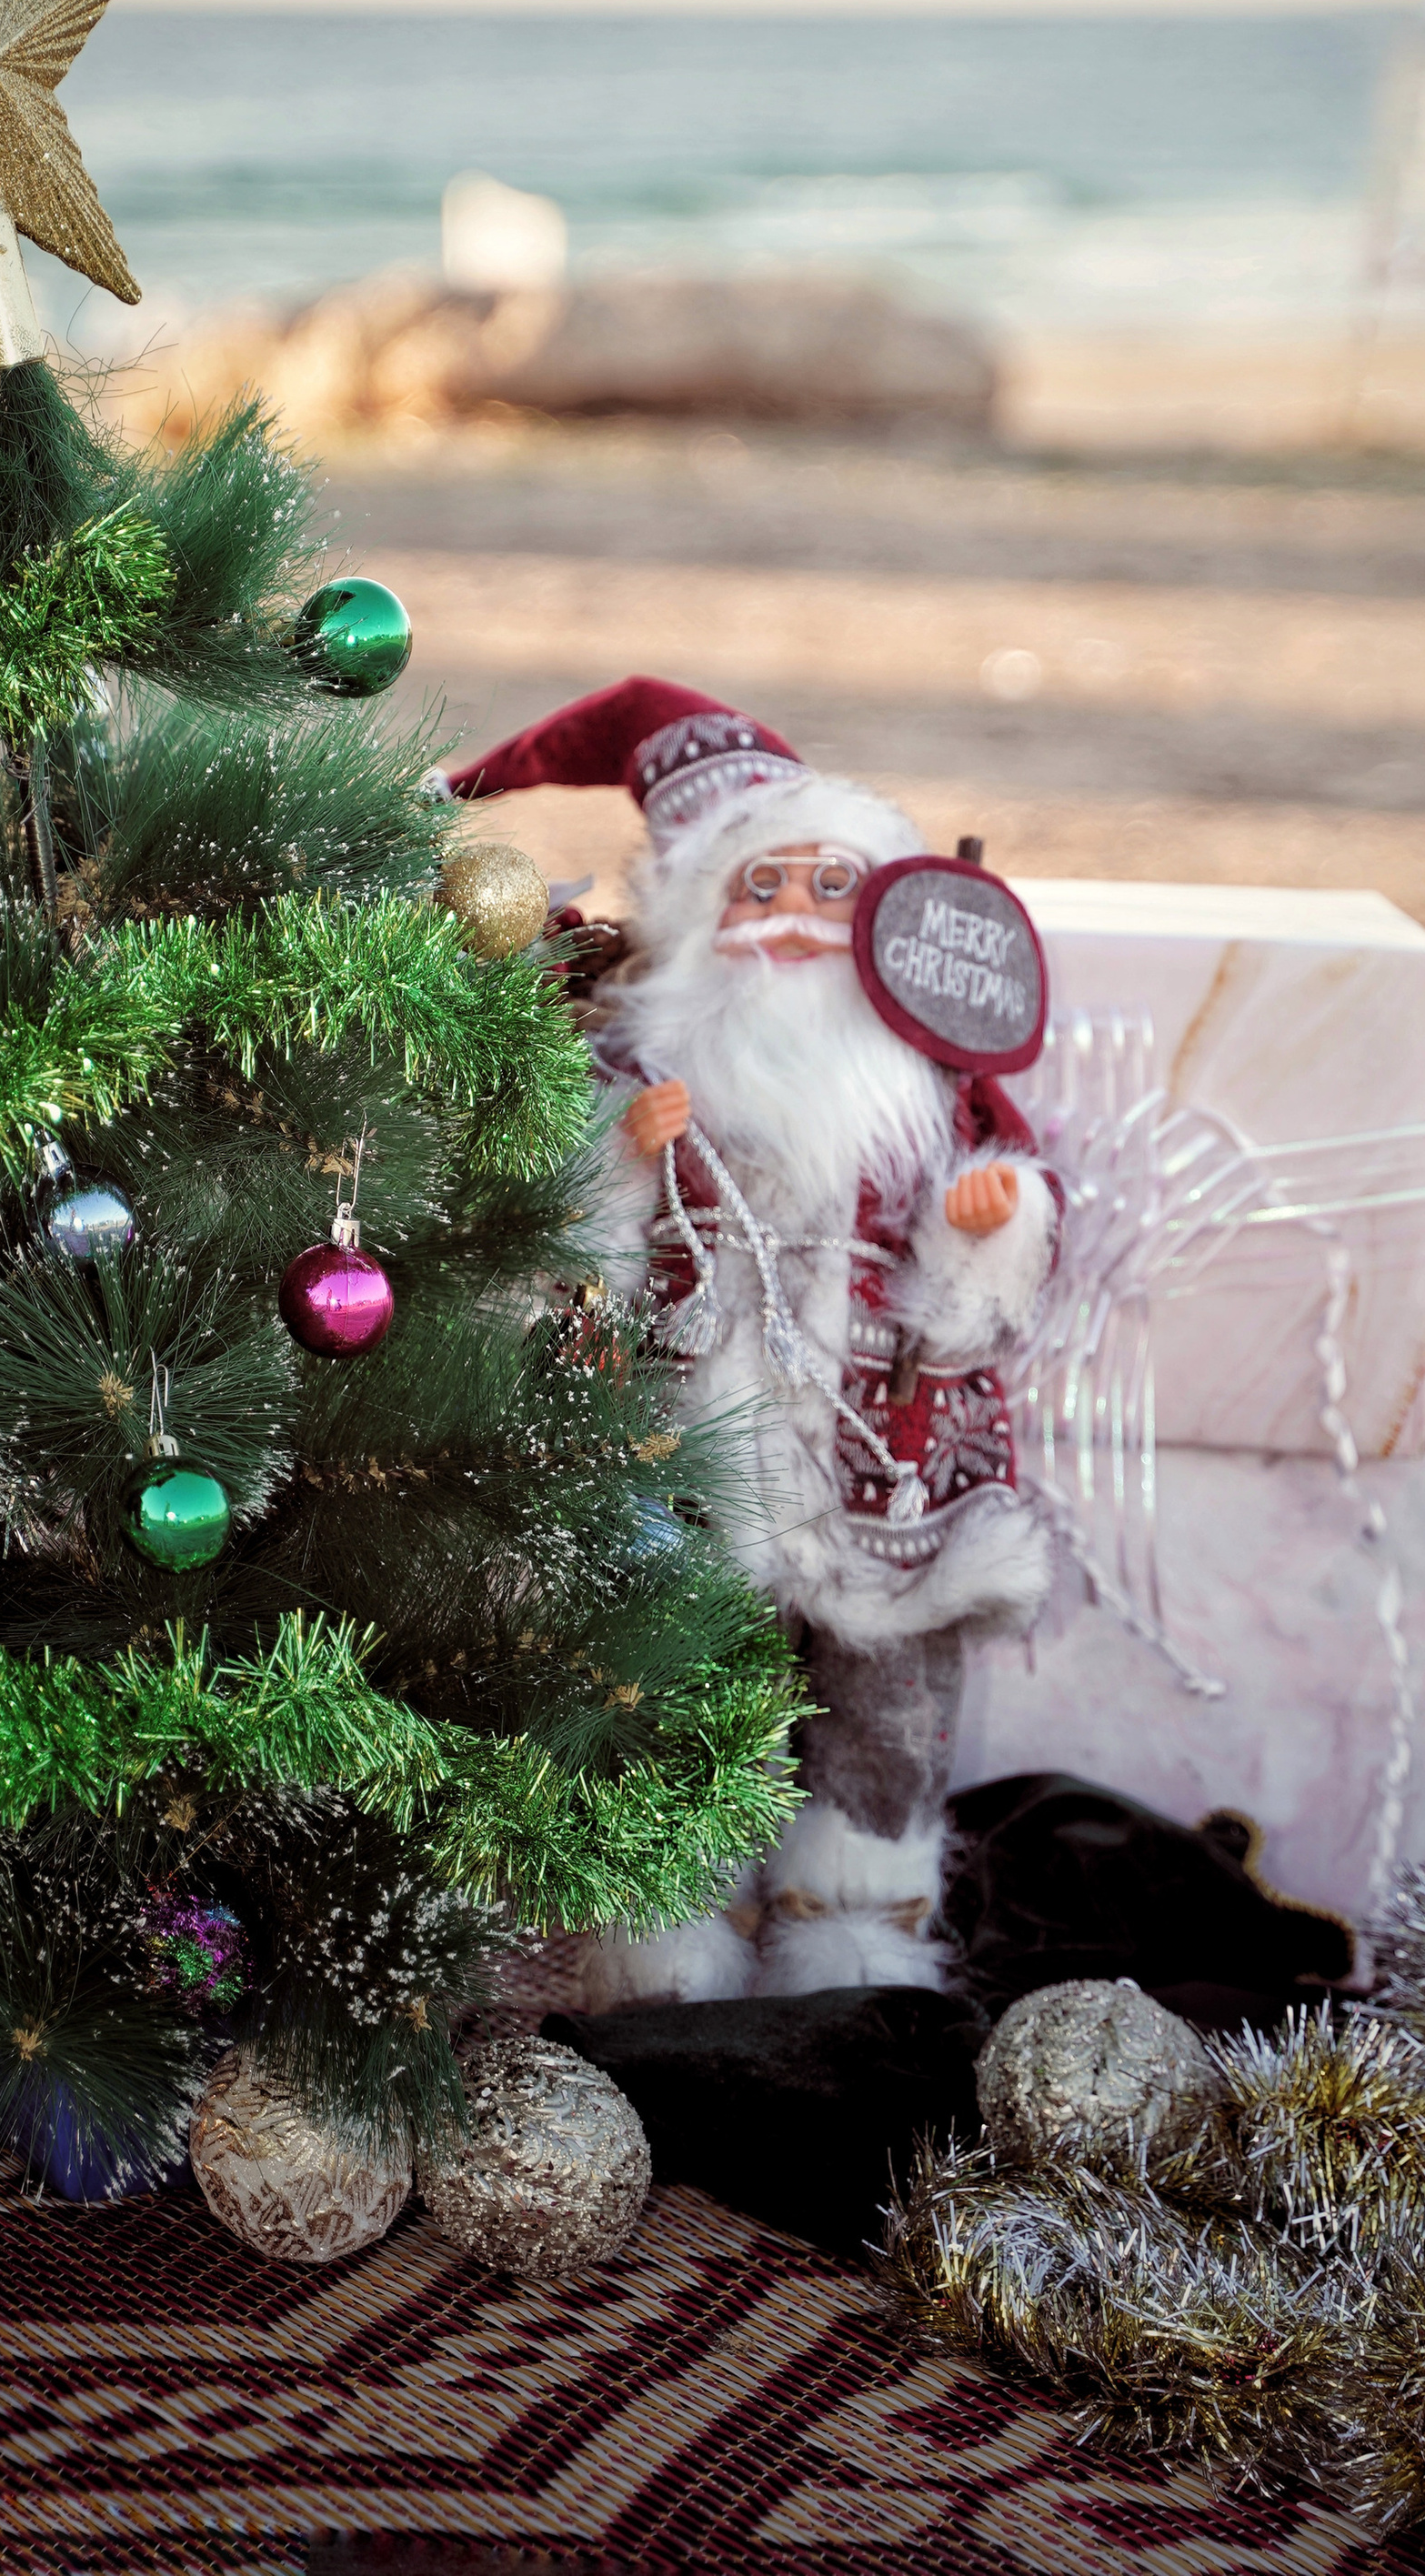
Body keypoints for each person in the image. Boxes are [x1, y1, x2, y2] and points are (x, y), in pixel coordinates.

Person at [444, 677, 1057, 1999]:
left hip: (877, 1470)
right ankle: (668, 1926)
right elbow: (563, 1262)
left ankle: (857, 1923)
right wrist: (620, 1161)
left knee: (881, 1699)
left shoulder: (923, 1090)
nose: (786, 921)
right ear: (700, 916)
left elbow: (989, 1272)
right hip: (689, 1455)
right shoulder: (645, 1070)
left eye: (827, 890)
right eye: (756, 888)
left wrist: (977, 1228)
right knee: (670, 1681)